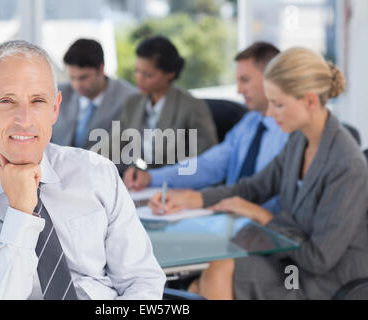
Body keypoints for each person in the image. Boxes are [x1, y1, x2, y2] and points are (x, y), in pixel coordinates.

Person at [0, 40, 165, 300]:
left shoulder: (96, 173)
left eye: (37, 100)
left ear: (55, 108)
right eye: (6, 101)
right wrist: (20, 213)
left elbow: (141, 281)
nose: (24, 120)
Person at [150, 47, 368, 300]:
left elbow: (318, 259)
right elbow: (253, 187)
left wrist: (262, 215)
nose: (270, 113)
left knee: (218, 269)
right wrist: (193, 199)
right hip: (292, 258)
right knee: (207, 277)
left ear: (309, 101)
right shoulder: (300, 140)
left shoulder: (346, 164)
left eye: (278, 104)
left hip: (325, 278)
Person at [124, 42, 288, 214]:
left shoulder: (291, 133)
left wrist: (200, 198)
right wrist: (151, 177)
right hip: (228, 219)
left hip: (267, 226)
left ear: (272, 79)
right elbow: (208, 165)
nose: (239, 90)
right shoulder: (249, 123)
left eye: (245, 80)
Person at [117, 36, 217, 175]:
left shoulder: (192, 107)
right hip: (140, 186)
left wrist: (153, 177)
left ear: (170, 74)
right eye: (137, 71)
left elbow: (206, 161)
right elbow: (114, 147)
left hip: (177, 185)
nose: (139, 78)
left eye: (148, 75)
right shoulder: (133, 103)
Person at [51, 38, 137, 149]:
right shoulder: (58, 94)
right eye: (72, 77)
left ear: (101, 69)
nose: (77, 85)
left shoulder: (129, 99)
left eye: (83, 77)